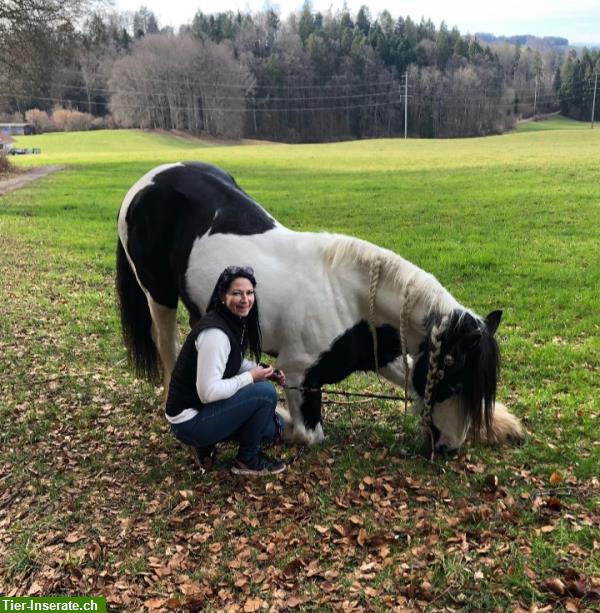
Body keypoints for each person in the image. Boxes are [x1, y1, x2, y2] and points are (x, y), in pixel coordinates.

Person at [165, 265, 288, 476]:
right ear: (223, 296)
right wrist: (251, 378)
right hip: (188, 422)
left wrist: (266, 372)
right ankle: (246, 460)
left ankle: (211, 440)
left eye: (249, 293)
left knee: (273, 428)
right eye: (236, 293)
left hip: (201, 410)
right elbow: (208, 392)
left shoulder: (230, 321)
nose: (245, 299)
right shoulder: (215, 334)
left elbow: (233, 362)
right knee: (266, 394)